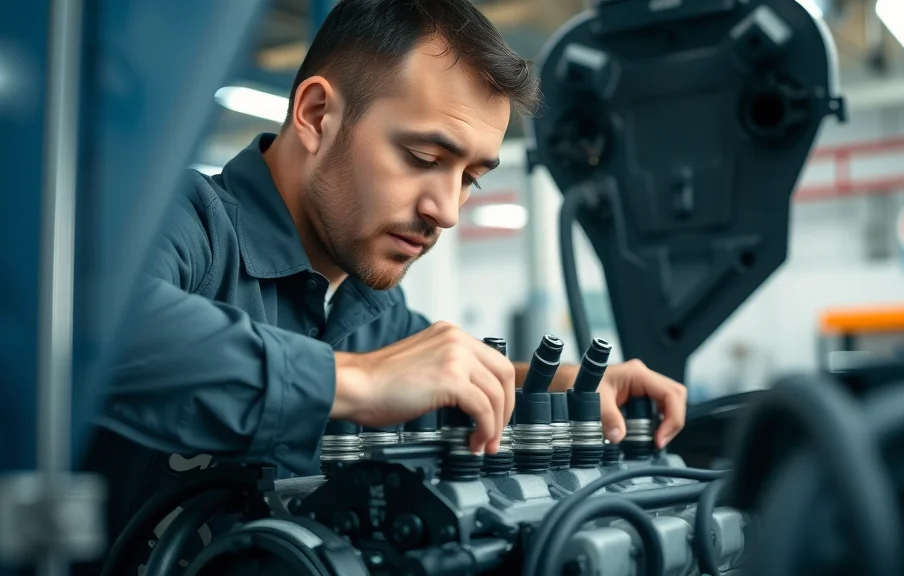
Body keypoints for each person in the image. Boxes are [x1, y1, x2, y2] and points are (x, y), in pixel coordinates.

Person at [80, 0, 687, 568]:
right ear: (318, 115)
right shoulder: (177, 219)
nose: (448, 210)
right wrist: (359, 380)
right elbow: (97, 332)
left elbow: (443, 370)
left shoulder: (368, 305)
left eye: (471, 177)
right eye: (424, 158)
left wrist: (569, 385)